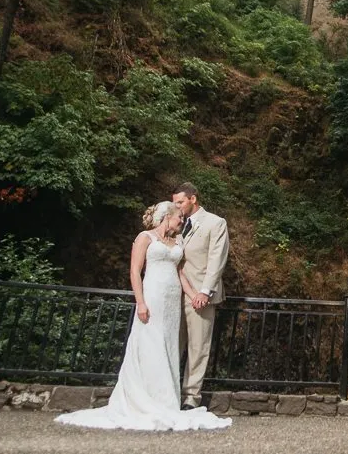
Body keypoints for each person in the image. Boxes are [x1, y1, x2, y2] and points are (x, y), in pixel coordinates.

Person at [55, 202, 230, 431]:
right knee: (149, 344)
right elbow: (135, 271)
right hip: (153, 295)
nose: (181, 221)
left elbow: (180, 274)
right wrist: (141, 302)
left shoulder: (177, 241)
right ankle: (143, 399)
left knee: (167, 348)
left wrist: (195, 294)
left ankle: (165, 400)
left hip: (172, 302)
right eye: (178, 217)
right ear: (167, 217)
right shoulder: (145, 237)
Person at [172, 182, 230, 410]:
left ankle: (190, 398)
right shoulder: (175, 223)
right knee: (171, 345)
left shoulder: (215, 223)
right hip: (174, 294)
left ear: (193, 199)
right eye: (174, 202)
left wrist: (205, 292)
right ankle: (168, 392)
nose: (176, 206)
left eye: (180, 202)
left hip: (200, 295)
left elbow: (217, 259)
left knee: (198, 348)